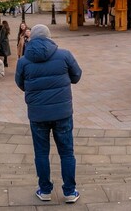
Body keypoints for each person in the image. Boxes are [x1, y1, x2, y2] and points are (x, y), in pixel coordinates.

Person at [15, 25, 82, 204]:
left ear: (32, 38)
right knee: (67, 152)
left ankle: (45, 190)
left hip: (37, 114)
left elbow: (20, 83)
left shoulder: (23, 61)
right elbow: (76, 76)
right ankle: (69, 191)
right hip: (62, 113)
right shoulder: (64, 55)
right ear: (49, 37)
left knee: (41, 153)